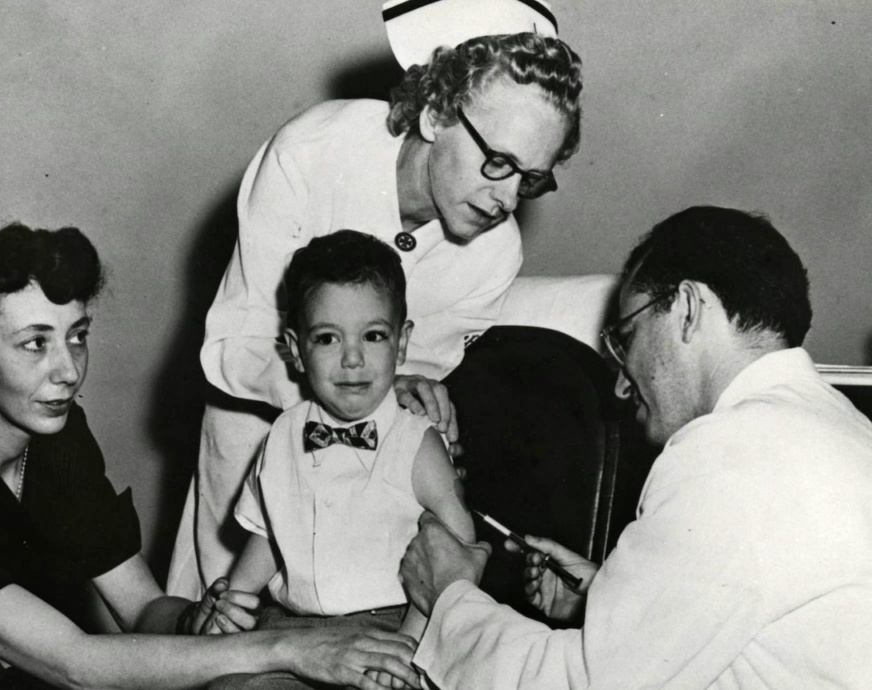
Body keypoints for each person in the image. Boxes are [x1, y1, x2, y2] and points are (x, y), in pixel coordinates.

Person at [0, 224, 421, 690]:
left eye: (77, 335)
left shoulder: (56, 437)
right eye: (34, 343)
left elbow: (142, 609)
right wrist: (292, 646)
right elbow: (77, 665)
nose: (69, 370)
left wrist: (199, 621)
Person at [168, 1, 584, 600]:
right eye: (498, 163)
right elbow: (236, 348)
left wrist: (416, 392)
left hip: (368, 492)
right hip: (255, 446)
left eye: (531, 179)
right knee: (216, 633)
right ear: (438, 112)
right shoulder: (310, 155)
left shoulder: (495, 254)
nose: (507, 198)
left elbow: (412, 379)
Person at [399, 206, 872, 688]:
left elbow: (582, 684)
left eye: (628, 337)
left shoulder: (727, 452)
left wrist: (449, 599)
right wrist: (608, 596)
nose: (623, 387)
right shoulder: (838, 426)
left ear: (688, 309)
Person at [209, 231, 472, 685]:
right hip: (290, 625)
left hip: (393, 626)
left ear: (402, 342)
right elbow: (271, 533)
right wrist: (236, 599)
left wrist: (409, 645)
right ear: (295, 349)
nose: (353, 359)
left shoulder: (415, 441)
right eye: (328, 338)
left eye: (373, 336)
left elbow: (457, 553)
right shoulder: (284, 434)